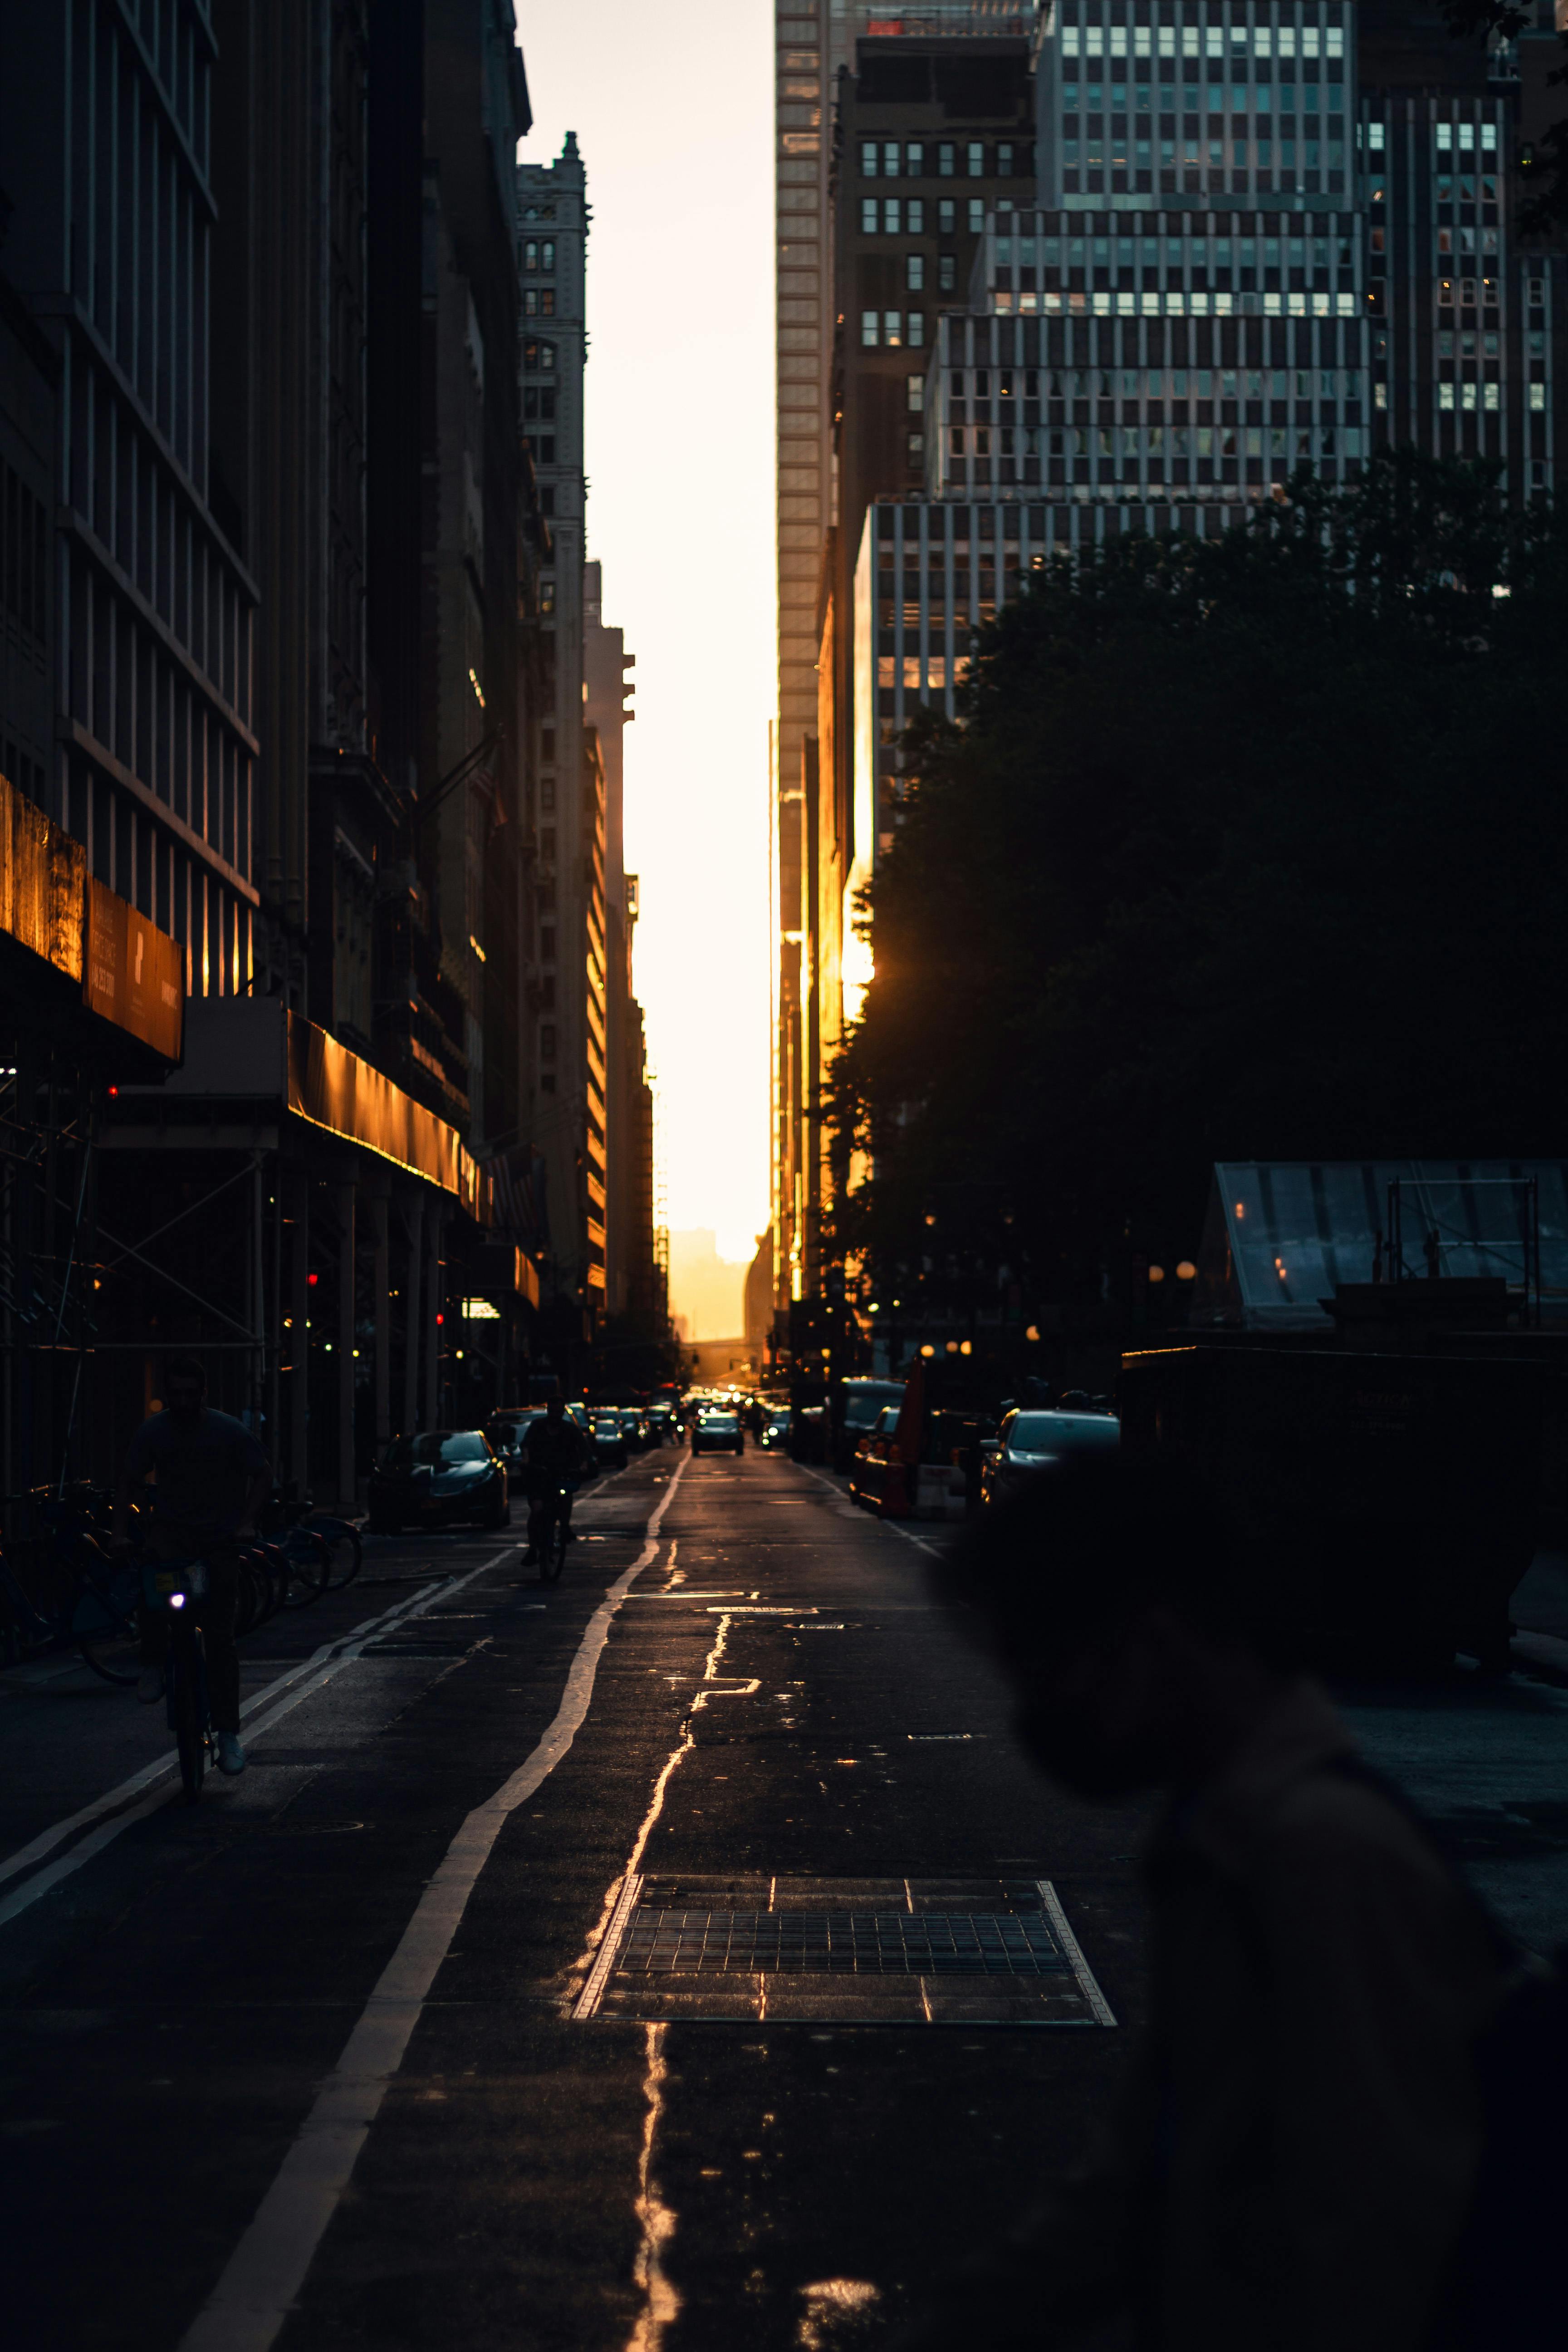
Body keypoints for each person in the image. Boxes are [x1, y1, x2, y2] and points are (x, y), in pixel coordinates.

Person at [905, 1454, 1501, 2352]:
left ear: (1154, 1639)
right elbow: (1148, 2172)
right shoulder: (1227, 1843)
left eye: (1047, 1661)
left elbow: (1373, 2239)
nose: (1035, 1709)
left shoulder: (1319, 1859)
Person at [113, 1356, 271, 1777]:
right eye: (175, 1393)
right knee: (152, 1587)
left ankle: (229, 1734)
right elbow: (128, 1478)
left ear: (203, 1394)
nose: (182, 1401)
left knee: (221, 1640)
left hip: (219, 1542)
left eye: (190, 1393)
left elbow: (263, 1474)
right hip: (172, 1538)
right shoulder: (154, 1431)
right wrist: (120, 1532)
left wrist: (247, 1523)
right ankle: (152, 1661)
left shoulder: (228, 1431)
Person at [519, 1395, 587, 1568]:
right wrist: (527, 1461)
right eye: (552, 1411)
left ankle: (565, 1526)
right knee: (537, 1509)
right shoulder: (537, 1427)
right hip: (539, 1475)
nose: (555, 1415)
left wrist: (583, 1465)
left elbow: (584, 1448)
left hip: (562, 1475)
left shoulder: (570, 1430)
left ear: (563, 1412)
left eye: (559, 1412)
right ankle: (533, 1548)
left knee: (566, 1495)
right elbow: (526, 1445)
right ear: (548, 1411)